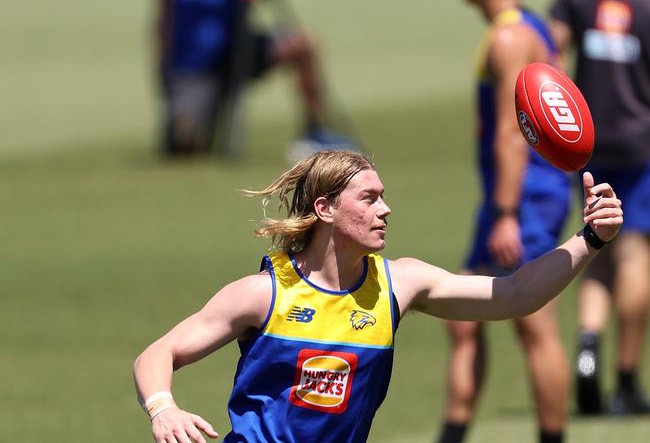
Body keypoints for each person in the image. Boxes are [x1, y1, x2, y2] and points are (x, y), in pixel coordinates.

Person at [133, 150, 622, 443]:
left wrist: (589, 238)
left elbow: (513, 295)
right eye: (368, 198)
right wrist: (164, 408)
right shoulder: (263, 294)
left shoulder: (399, 284)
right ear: (324, 209)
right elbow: (159, 353)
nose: (385, 209)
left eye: (382, 196)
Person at [436, 0, 571, 442]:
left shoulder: (510, 37)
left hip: (524, 198)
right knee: (462, 319)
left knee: (533, 323)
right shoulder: (525, 25)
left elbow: (513, 133)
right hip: (512, 196)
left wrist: (508, 215)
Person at [548, 0, 650, 416]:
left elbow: (550, 52)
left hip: (588, 142)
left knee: (597, 241)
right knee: (633, 252)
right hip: (642, 139)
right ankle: (626, 380)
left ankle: (588, 349)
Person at [153, 0, 352, 157]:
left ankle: (316, 130)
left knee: (302, 45)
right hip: (193, 64)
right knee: (184, 143)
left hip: (238, 48)